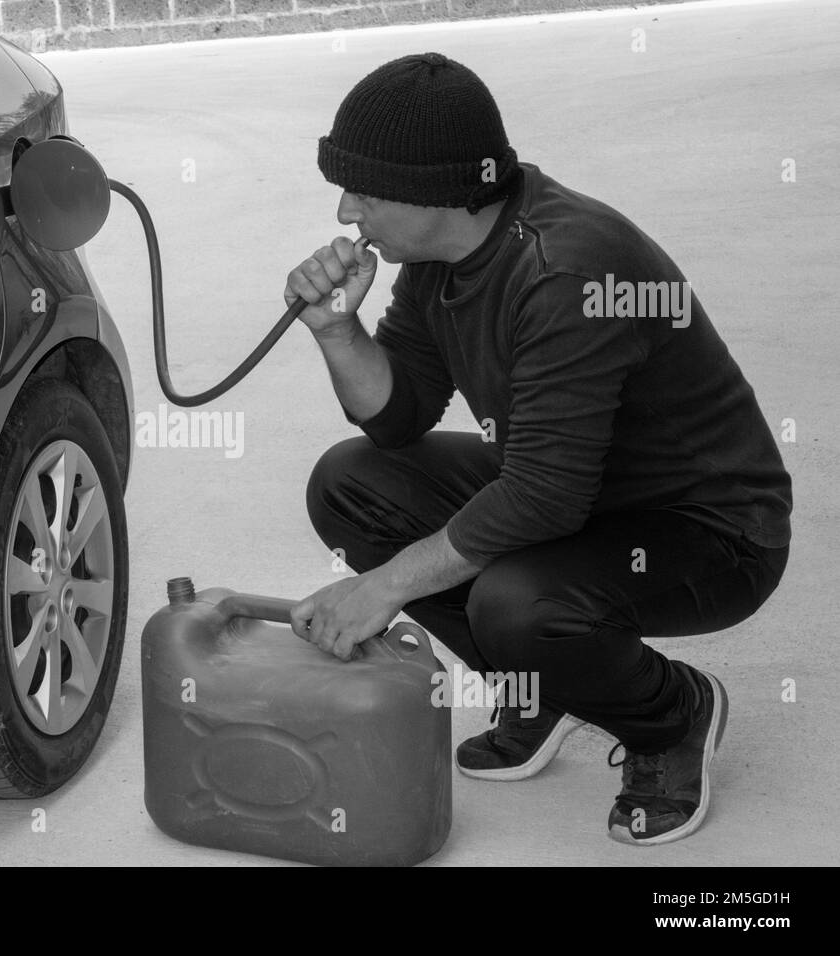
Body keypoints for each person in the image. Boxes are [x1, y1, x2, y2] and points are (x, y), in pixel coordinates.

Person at [287, 52, 791, 845]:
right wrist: (338, 331)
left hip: (710, 528)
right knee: (350, 487)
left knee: (518, 604)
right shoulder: (440, 256)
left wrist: (381, 587)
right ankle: (542, 687)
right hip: (575, 486)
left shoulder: (568, 270)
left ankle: (672, 717)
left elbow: (544, 499)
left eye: (365, 192)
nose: (348, 213)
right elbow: (398, 419)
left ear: (439, 192)